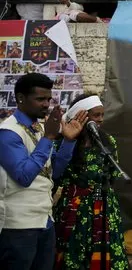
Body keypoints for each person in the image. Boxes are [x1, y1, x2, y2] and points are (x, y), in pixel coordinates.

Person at [0, 73, 87, 270]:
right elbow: (24, 176)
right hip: (18, 226)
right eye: (40, 99)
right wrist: (48, 136)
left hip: (45, 220)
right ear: (21, 98)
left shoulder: (38, 128)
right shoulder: (8, 133)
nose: (46, 104)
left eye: (48, 99)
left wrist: (68, 141)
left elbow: (52, 172)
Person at [52, 94, 129, 269]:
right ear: (81, 116)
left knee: (106, 254)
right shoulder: (62, 142)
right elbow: (57, 175)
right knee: (73, 255)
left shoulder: (108, 142)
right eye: (96, 115)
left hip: (104, 206)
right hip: (74, 207)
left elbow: (112, 176)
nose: (101, 120)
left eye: (102, 115)